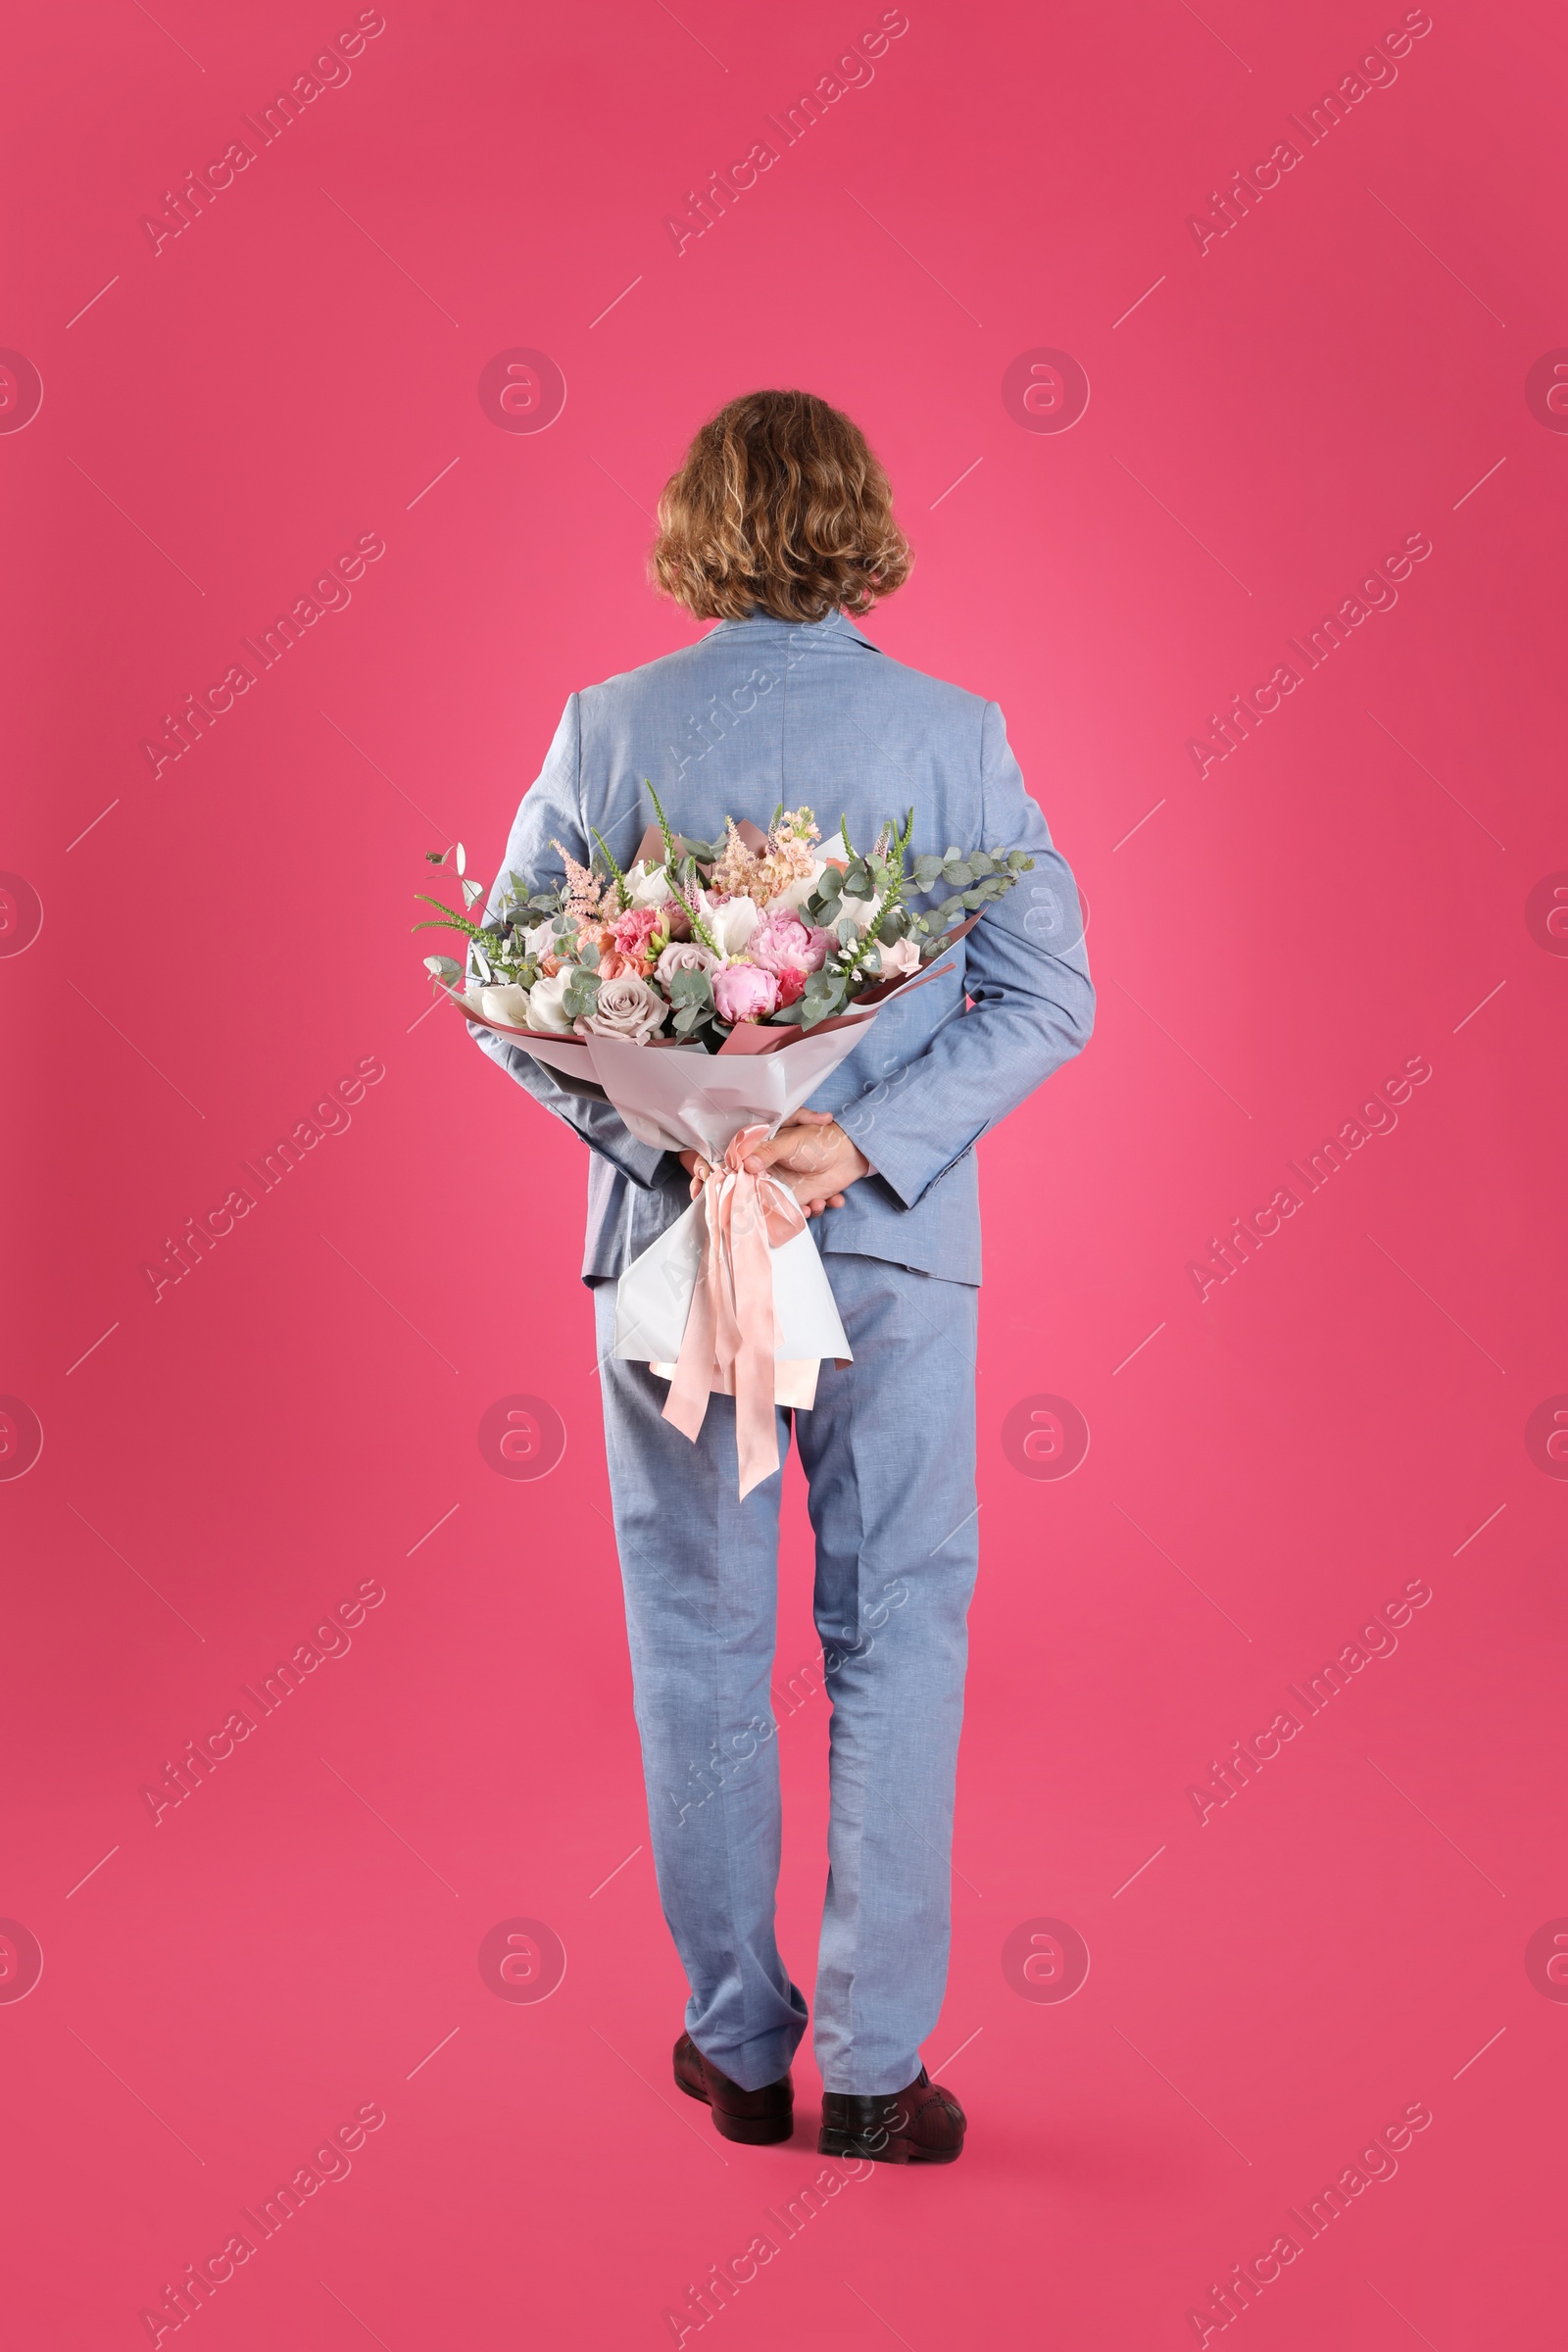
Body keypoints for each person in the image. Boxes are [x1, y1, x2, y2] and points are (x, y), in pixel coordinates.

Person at [473, 389, 1094, 2163]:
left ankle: (740, 2050)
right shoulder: (956, 735)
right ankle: (880, 2077)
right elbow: (1052, 995)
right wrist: (856, 1146)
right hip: (886, 1253)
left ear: (695, 525)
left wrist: (673, 1142)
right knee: (898, 1629)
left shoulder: (606, 731)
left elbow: (509, 1005)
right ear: (863, 520)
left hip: (673, 1256)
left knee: (699, 1638)